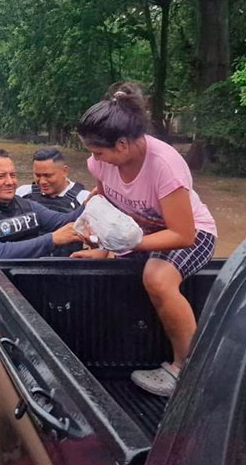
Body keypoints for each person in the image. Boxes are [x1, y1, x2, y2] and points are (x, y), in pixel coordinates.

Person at [71, 81, 217, 397]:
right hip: (139, 235)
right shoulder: (100, 163)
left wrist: (126, 245)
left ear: (122, 144)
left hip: (192, 234)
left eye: (98, 151)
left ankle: (187, 372)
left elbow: (183, 234)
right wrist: (101, 247)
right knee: (98, 272)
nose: (94, 159)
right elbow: (106, 205)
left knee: (157, 278)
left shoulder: (165, 166)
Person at [0, 148, 83, 282]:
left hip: (27, 286)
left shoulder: (27, 205)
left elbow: (64, 222)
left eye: (13, 175)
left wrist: (92, 202)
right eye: (1, 176)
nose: (10, 182)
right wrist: (51, 239)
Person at [16, 147, 91, 256]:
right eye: (37, 175)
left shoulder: (84, 198)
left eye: (48, 175)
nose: (42, 181)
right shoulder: (22, 194)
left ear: (64, 171)